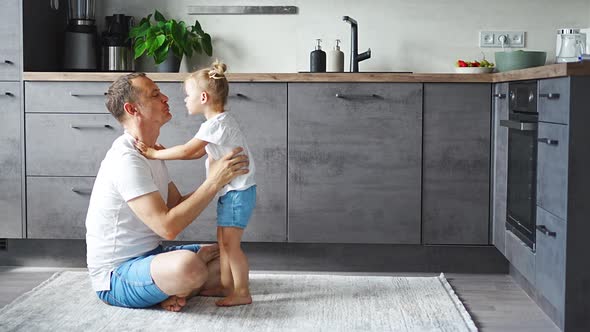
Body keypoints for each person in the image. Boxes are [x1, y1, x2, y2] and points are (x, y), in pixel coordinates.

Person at [85, 72, 249, 312]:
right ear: (132, 109)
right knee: (188, 267)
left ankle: (169, 289)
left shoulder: (151, 153)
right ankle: (173, 287)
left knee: (224, 256)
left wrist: (220, 180)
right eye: (155, 94)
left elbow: (176, 204)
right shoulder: (126, 159)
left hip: (151, 256)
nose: (165, 97)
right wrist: (213, 182)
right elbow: (167, 227)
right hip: (115, 277)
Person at [135, 61, 256, 307]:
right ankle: (226, 285)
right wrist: (164, 152)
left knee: (231, 245)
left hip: (238, 192)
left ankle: (241, 291)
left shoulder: (217, 124)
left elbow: (190, 151)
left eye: (188, 95)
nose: (184, 100)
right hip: (233, 192)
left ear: (203, 97)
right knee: (223, 241)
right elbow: (197, 152)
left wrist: (154, 153)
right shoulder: (216, 124)